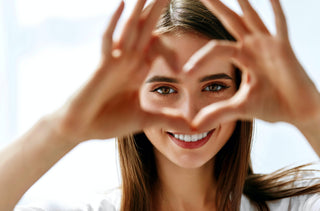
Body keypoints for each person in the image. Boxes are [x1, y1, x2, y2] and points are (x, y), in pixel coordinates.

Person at [2, 0, 320, 210]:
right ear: (134, 95)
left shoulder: (295, 205)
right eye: (165, 89)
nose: (190, 113)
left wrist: (311, 114)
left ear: (240, 89)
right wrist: (62, 129)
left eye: (213, 86)